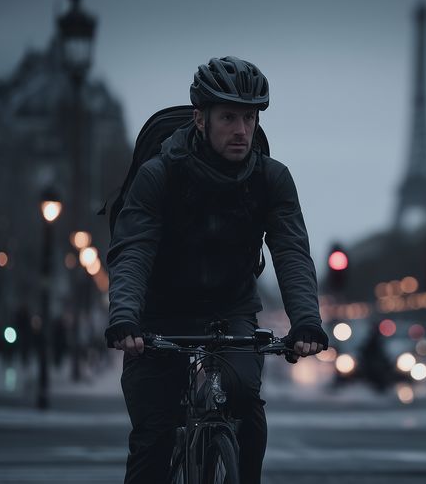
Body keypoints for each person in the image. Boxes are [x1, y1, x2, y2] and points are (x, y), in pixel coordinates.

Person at [104, 56, 329, 484]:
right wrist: (125, 318)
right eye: (228, 117)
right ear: (199, 119)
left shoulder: (272, 179)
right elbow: (133, 250)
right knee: (154, 436)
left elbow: (292, 252)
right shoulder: (159, 175)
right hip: (159, 312)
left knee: (247, 411)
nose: (242, 130)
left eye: (249, 118)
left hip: (231, 309)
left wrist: (306, 321)